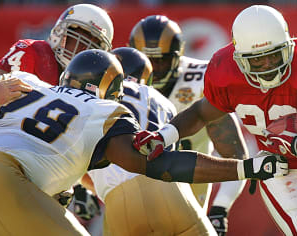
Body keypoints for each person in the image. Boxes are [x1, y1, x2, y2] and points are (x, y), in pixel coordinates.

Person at [0, 49, 288, 236]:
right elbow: (158, 164)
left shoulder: (27, 82)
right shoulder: (103, 110)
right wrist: (244, 167)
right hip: (6, 177)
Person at [133, 5, 297, 236]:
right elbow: (201, 113)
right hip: (280, 169)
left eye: (274, 55)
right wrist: (164, 136)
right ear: (240, 59)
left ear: (288, 46)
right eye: (257, 60)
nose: (268, 66)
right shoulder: (226, 73)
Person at [82, 46, 217, 235]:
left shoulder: (93, 102)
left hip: (121, 200)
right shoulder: (163, 101)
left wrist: (88, 188)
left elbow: (78, 164)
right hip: (173, 190)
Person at [129, 15, 248, 221]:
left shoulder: (201, 79)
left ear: (177, 57)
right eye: (147, 60)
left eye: (160, 61)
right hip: (135, 187)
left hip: (190, 189)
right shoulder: (120, 80)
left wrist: (220, 209)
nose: (153, 69)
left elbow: (235, 156)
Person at [0, 3, 114, 86]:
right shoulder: (34, 52)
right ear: (61, 34)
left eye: (92, 47)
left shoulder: (95, 82)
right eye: (79, 40)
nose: (83, 49)